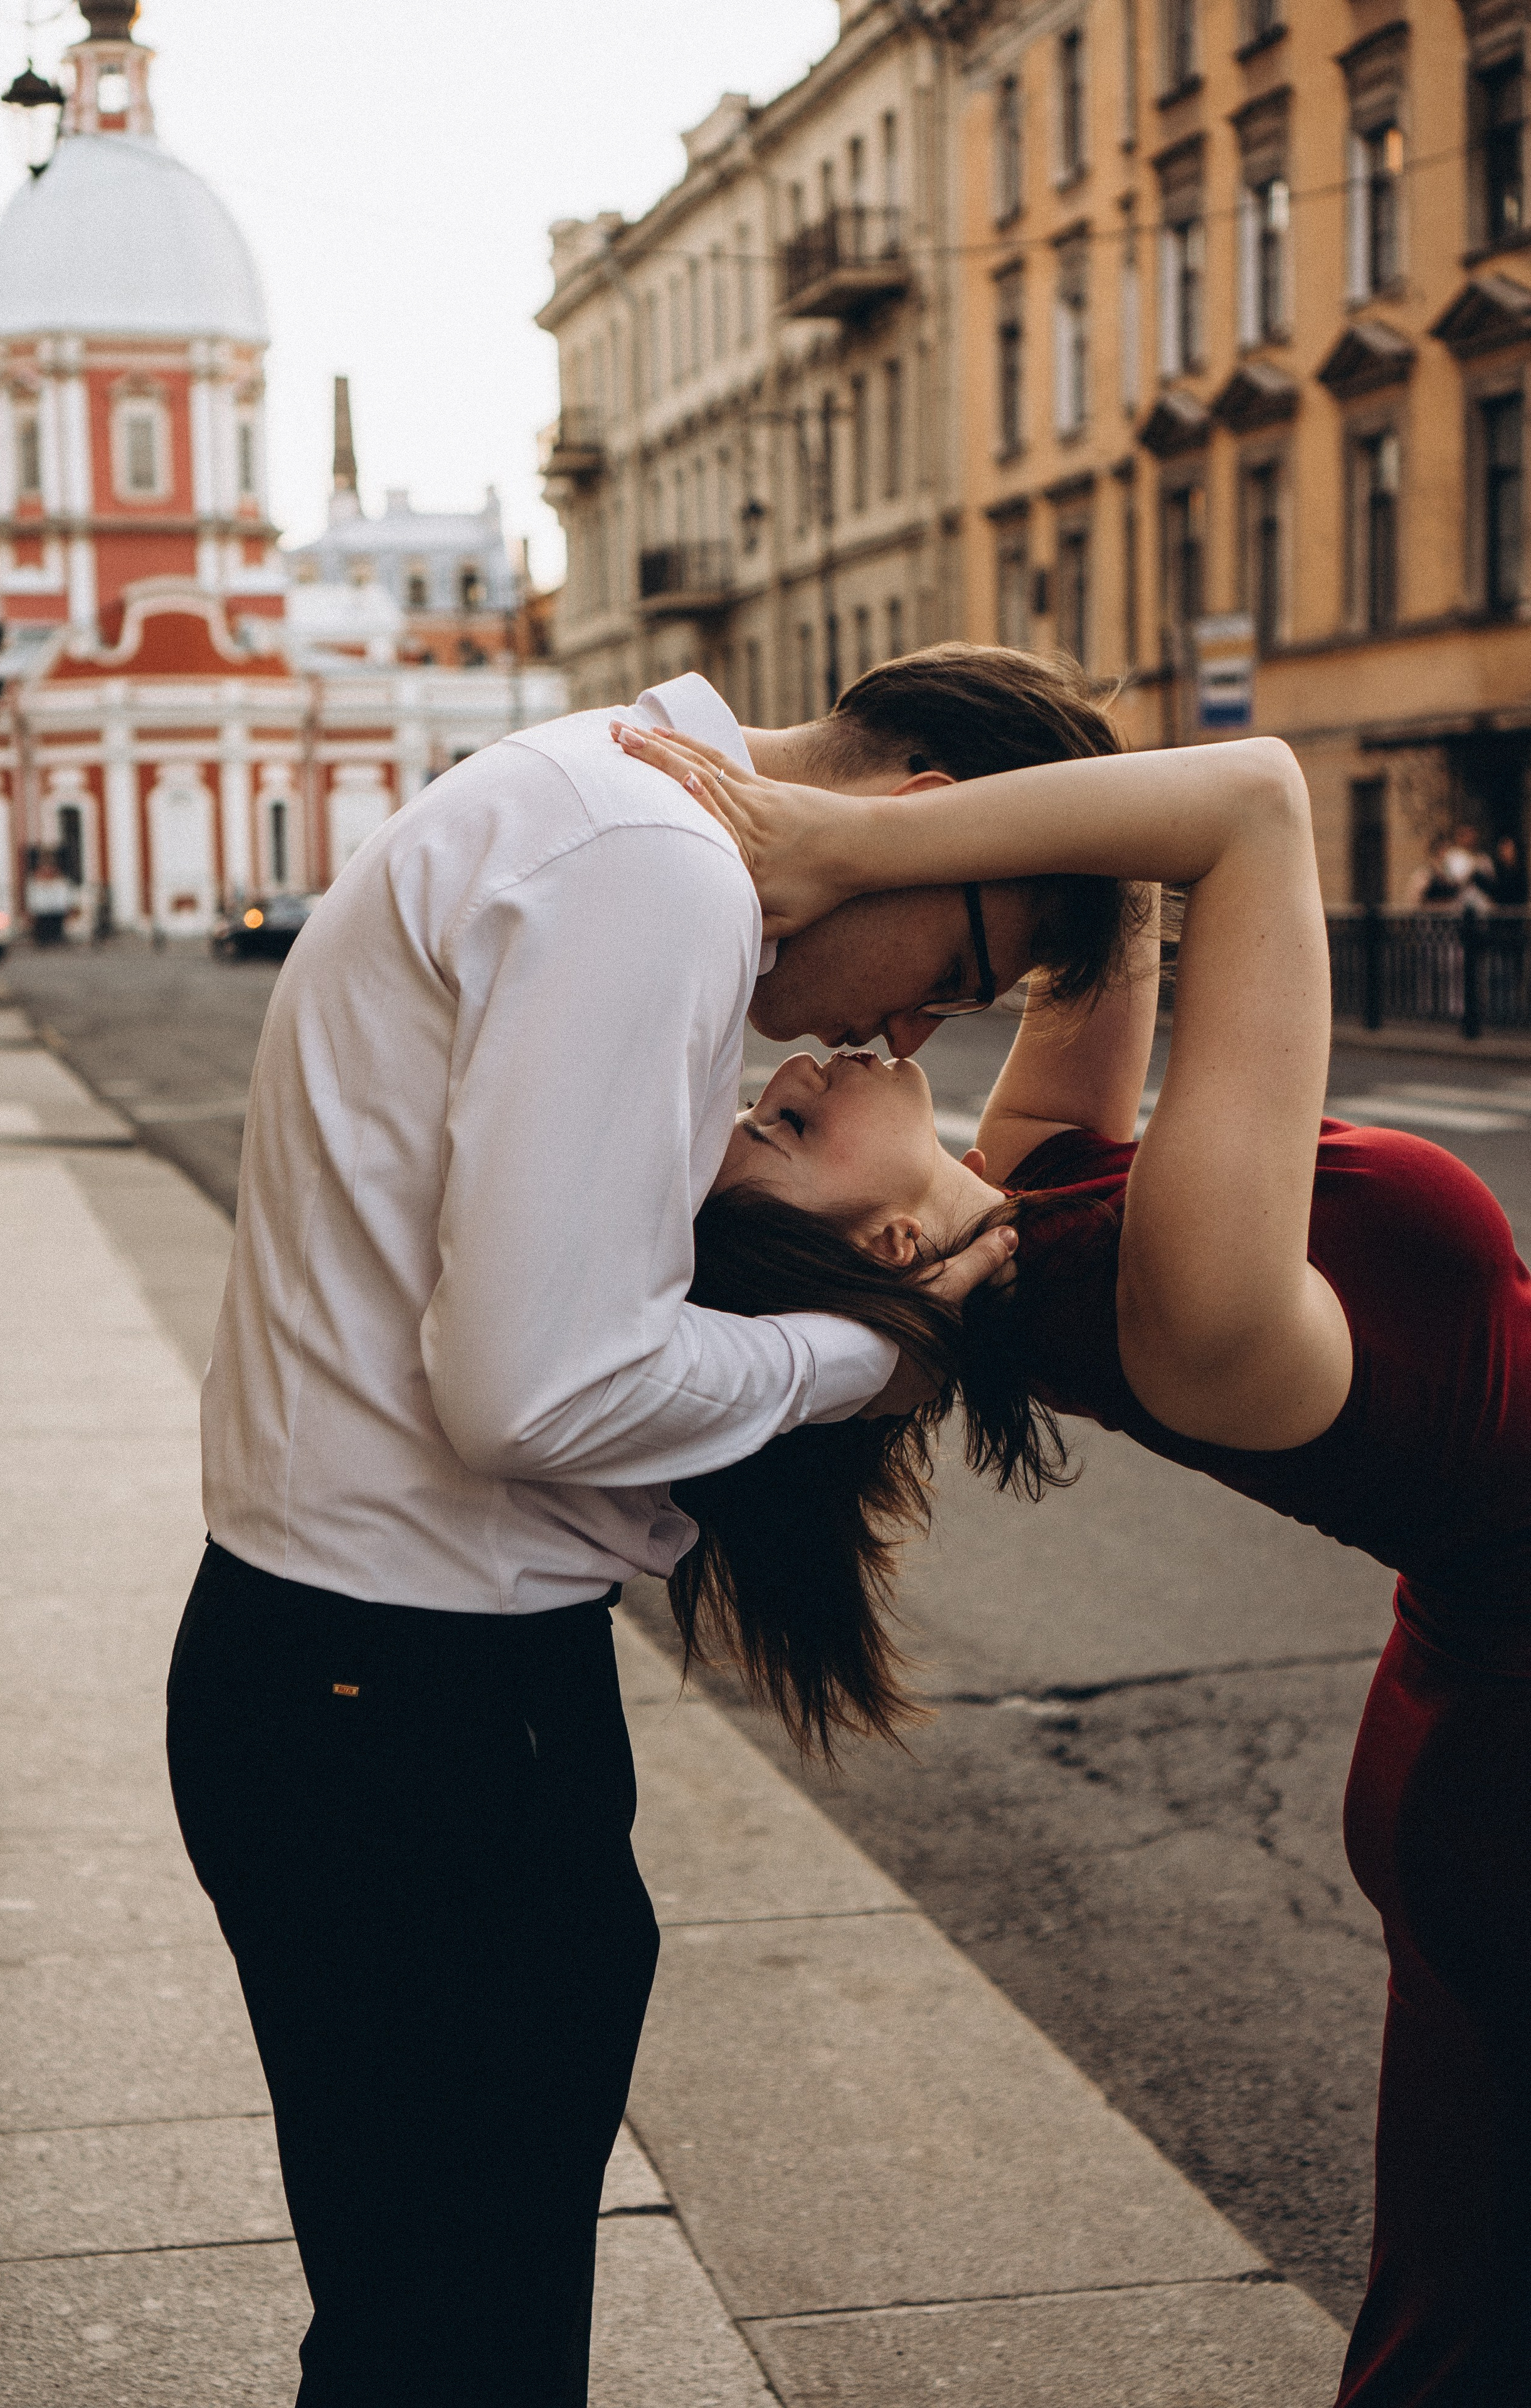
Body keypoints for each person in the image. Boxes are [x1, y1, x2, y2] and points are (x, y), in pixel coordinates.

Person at [168, 653, 1135, 2407]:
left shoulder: (597, 803)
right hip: (412, 1711)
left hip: (361, 1681)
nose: (908, 1035)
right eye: (962, 977)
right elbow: (538, 1390)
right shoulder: (652, 862)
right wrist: (872, 1359)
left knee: (425, 2316)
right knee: (456, 2341)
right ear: (918, 823)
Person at [620, 702, 1531, 2404]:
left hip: (1469, 1723)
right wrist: (840, 846)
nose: (792, 1073)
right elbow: (1252, 805)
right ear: (888, 1243)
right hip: (1510, 1755)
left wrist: (896, 810)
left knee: (1470, 2312)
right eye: (786, 1132)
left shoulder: (1037, 1203)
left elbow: (1115, 866)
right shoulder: (1179, 1308)